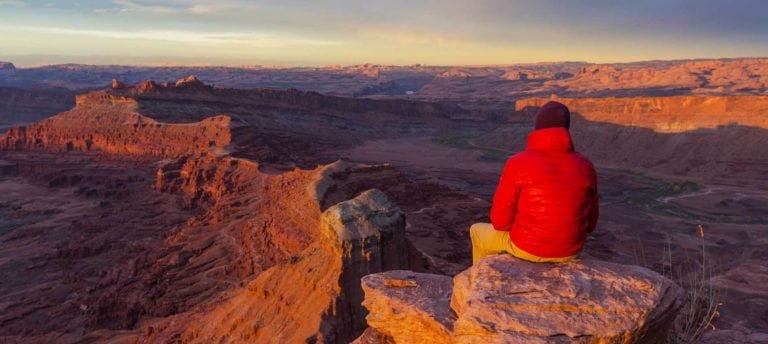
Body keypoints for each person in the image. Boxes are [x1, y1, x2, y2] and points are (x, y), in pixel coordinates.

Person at [470, 101, 599, 264]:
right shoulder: (586, 165)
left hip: (527, 248)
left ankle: (481, 281)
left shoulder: (518, 163)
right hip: (571, 252)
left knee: (476, 231)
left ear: (537, 127)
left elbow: (500, 222)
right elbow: (591, 224)